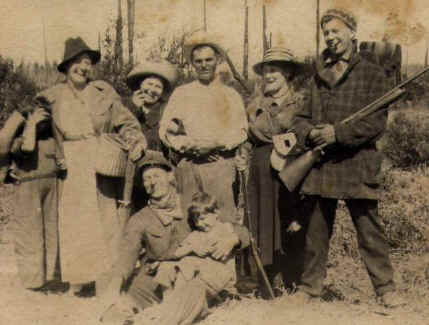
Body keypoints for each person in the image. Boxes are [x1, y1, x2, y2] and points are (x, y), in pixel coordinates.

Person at [287, 8, 402, 307]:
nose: (331, 37)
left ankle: (385, 290)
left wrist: (336, 134)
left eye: (336, 31)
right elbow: (299, 118)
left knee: (369, 230)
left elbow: (375, 124)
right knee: (316, 232)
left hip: (358, 163)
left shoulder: (373, 74)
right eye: (327, 33)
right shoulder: (318, 76)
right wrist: (312, 133)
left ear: (352, 33)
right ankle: (310, 289)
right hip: (321, 163)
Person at [38, 37, 146, 296]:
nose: (83, 68)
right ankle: (76, 281)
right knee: (74, 221)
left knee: (105, 220)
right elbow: (41, 130)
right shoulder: (52, 96)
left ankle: (106, 281)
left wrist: (136, 140)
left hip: (100, 160)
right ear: (66, 67)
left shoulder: (103, 94)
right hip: (70, 162)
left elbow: (127, 122)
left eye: (87, 63)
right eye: (77, 62)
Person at [99, 151, 250, 325]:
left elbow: (240, 230)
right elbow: (125, 260)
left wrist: (232, 240)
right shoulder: (139, 220)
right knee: (113, 294)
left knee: (193, 291)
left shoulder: (191, 205)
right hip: (159, 278)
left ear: (170, 176)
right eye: (147, 179)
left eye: (156, 175)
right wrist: (114, 289)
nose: (152, 182)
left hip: (196, 274)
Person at [159, 34, 248, 223]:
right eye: (198, 61)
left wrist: (216, 144)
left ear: (217, 60)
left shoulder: (230, 95)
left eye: (209, 60)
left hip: (220, 165)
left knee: (222, 220)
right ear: (192, 64)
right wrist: (188, 145)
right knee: (187, 219)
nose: (204, 65)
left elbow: (241, 131)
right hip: (189, 165)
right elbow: (167, 130)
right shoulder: (182, 93)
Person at [244, 47, 307, 294]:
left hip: (292, 165)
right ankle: (264, 279)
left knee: (292, 220)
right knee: (262, 220)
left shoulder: (302, 102)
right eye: (266, 71)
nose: (269, 76)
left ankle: (294, 278)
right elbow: (246, 137)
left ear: (288, 74)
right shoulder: (254, 105)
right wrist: (242, 154)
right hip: (261, 168)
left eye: (276, 71)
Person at [3, 102, 60, 292]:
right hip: (27, 185)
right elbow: (27, 148)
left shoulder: (54, 137)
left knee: (52, 231)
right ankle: (33, 281)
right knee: (30, 232)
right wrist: (32, 124)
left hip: (53, 183)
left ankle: (52, 277)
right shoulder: (21, 137)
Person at [124, 61, 178, 212]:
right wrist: (133, 108)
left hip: (156, 175)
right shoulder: (125, 106)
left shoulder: (166, 111)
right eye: (149, 84)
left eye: (158, 87)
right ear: (140, 85)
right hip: (129, 175)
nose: (152, 90)